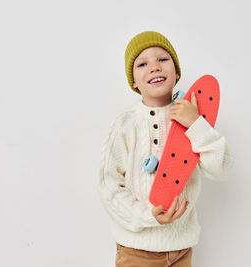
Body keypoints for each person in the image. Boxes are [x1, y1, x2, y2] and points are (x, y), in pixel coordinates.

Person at [98, 30, 234, 267]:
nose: (154, 67)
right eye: (142, 63)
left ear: (177, 71)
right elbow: (109, 185)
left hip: (181, 249)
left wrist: (196, 125)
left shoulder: (192, 116)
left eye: (163, 59)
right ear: (132, 81)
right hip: (136, 251)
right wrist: (146, 216)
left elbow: (221, 170)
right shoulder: (125, 124)